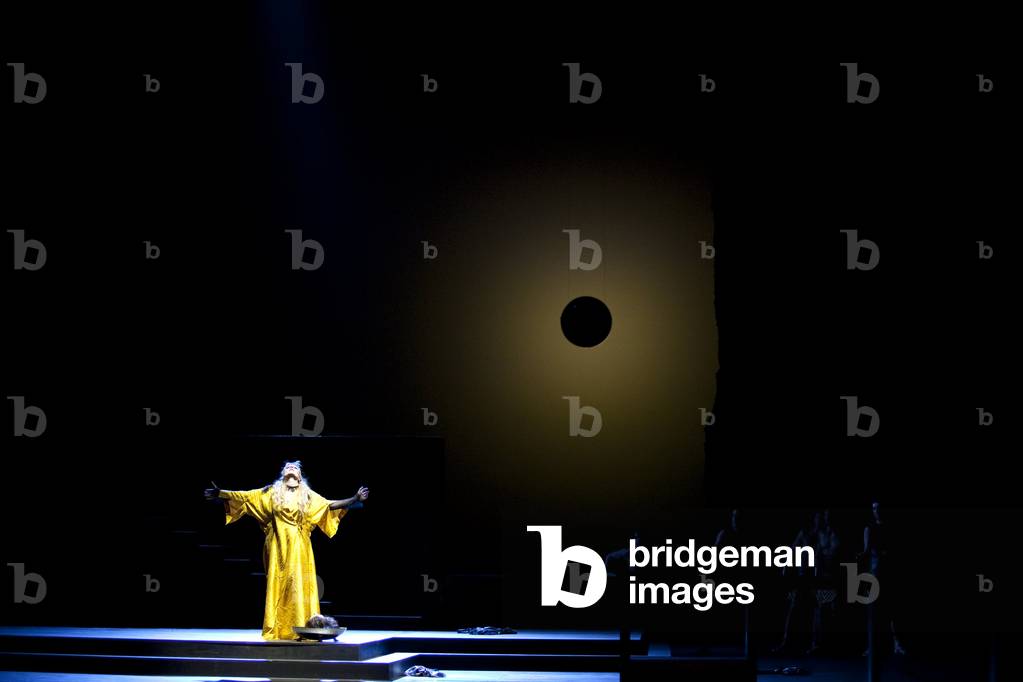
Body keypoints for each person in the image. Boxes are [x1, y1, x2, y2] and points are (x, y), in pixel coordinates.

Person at [204, 461, 369, 640]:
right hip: (278, 547)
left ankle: (302, 626)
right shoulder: (270, 492)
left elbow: (329, 505)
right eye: (288, 466)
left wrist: (354, 499)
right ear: (283, 473)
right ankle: (278, 628)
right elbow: (244, 497)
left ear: (299, 475)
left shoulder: (307, 495)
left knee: (299, 584)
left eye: (295, 467)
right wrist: (220, 493)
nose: (291, 467)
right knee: (279, 584)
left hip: (300, 547)